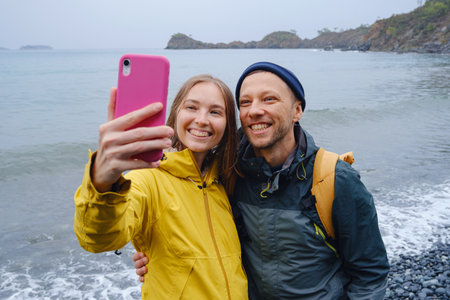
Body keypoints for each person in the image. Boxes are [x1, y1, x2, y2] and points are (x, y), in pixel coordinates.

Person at [134, 62, 390, 299]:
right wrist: (157, 256)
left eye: (269, 99)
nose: (255, 110)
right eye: (245, 102)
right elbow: (198, 224)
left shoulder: (334, 179)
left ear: (297, 110)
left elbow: (370, 274)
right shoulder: (228, 172)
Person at [74, 74, 248, 299]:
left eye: (215, 112)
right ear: (175, 113)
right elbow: (99, 238)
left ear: (227, 125)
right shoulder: (148, 179)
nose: (202, 120)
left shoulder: (224, 182)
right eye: (192, 107)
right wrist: (103, 181)